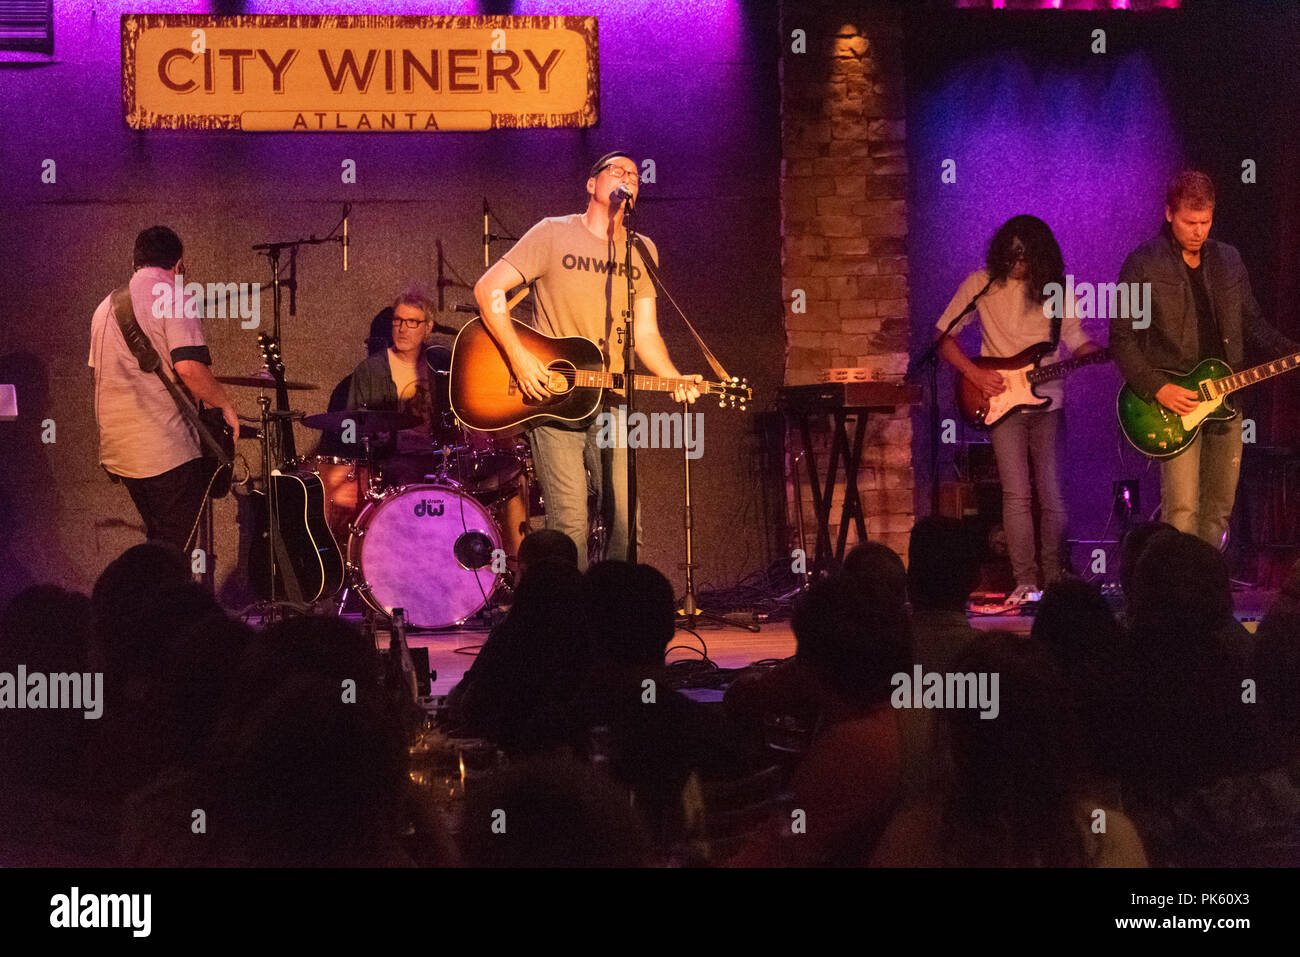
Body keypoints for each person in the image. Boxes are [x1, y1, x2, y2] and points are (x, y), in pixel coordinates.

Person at [474, 150, 702, 570]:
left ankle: (615, 613)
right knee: (571, 520)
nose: (628, 177)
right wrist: (520, 358)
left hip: (612, 400)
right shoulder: (552, 233)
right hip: (554, 397)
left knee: (625, 516)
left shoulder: (642, 250)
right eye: (616, 170)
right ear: (591, 184)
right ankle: (569, 615)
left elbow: (646, 334)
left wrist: (672, 378)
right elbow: (488, 289)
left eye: (634, 174)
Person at [1111, 170, 1300, 548]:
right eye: (1189, 222)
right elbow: (1121, 339)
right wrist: (1159, 389)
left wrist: (1292, 353)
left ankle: (1204, 591)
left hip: (1227, 400)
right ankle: (1174, 601)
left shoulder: (1228, 259)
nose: (1198, 231)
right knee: (1181, 511)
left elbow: (1254, 325)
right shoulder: (1142, 263)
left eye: (1206, 222)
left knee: (1218, 510)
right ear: (1169, 213)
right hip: (1176, 402)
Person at [936, 215, 1102, 605]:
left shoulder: (1059, 289)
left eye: (1025, 254)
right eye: (1011, 253)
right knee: (1016, 496)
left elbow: (1076, 339)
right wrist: (975, 375)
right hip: (1000, 403)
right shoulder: (981, 285)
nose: (1017, 262)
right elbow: (943, 336)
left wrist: (1096, 353)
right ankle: (1025, 581)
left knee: (1052, 495)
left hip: (1050, 402)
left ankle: (1055, 577)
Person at [88, 227, 239, 550]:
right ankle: (163, 600)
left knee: (158, 544)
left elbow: (96, 374)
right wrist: (225, 405)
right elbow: (189, 368)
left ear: (134, 261)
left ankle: (148, 597)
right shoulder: (173, 296)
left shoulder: (105, 306)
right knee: (174, 554)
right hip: (163, 452)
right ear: (179, 264)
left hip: (120, 452)